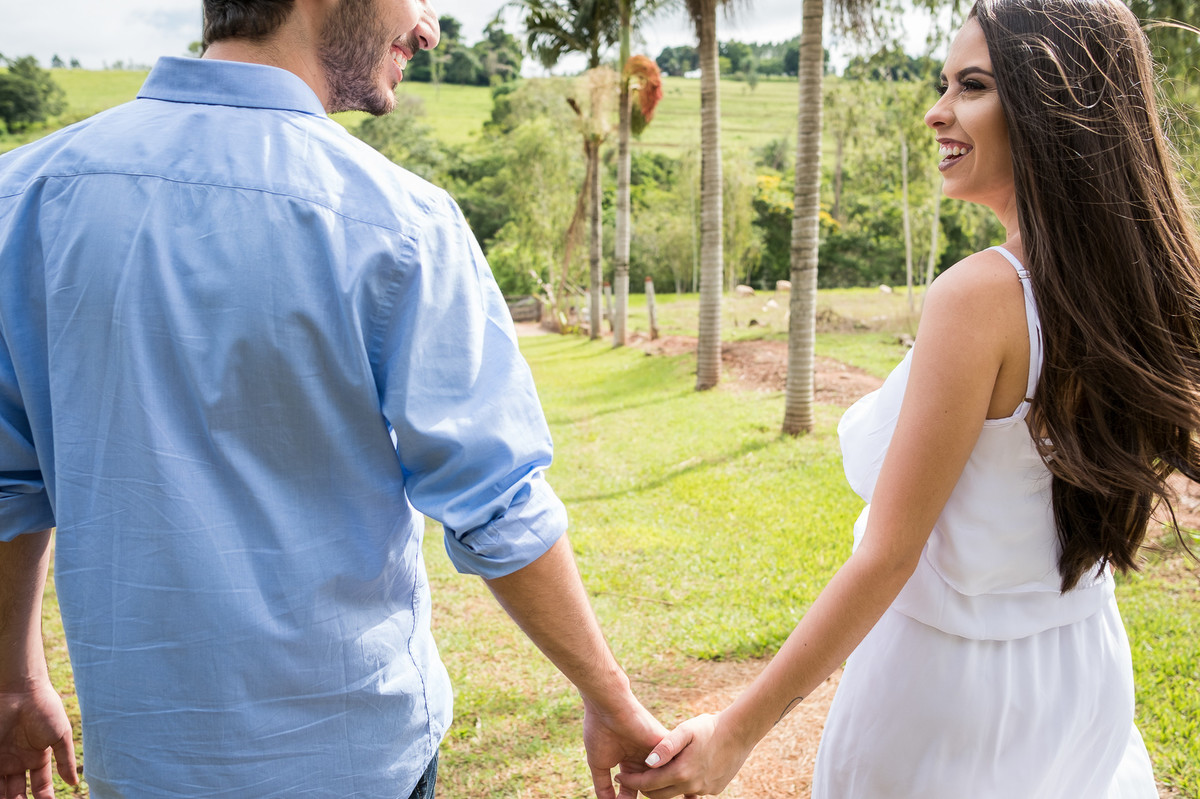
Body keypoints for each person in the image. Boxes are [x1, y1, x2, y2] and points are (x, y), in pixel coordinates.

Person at [0, 1, 667, 797]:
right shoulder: (402, 223)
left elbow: (9, 477)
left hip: (143, 768)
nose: (429, 29)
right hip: (359, 763)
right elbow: (497, 502)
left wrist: (14, 677)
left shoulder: (23, 198)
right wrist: (611, 698)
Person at [619, 0, 1200, 796]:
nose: (936, 112)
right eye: (944, 84)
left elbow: (888, 556)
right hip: (1081, 670)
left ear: (1049, 102)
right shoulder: (1138, 289)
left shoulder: (980, 295)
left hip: (950, 693)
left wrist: (736, 731)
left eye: (972, 85)